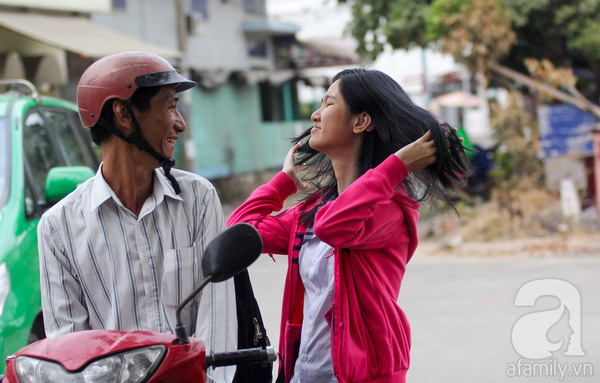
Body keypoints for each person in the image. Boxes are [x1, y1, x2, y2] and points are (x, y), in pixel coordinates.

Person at [227, 68, 467, 383]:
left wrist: (394, 167)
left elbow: (334, 228)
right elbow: (240, 233)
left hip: (362, 374)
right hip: (304, 373)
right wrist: (283, 183)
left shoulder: (388, 207)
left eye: (328, 104)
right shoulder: (313, 212)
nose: (314, 114)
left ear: (360, 121)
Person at [38, 51, 237, 382]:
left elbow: (217, 323)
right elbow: (69, 353)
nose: (180, 123)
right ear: (123, 113)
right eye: (169, 105)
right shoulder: (58, 228)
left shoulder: (199, 200)